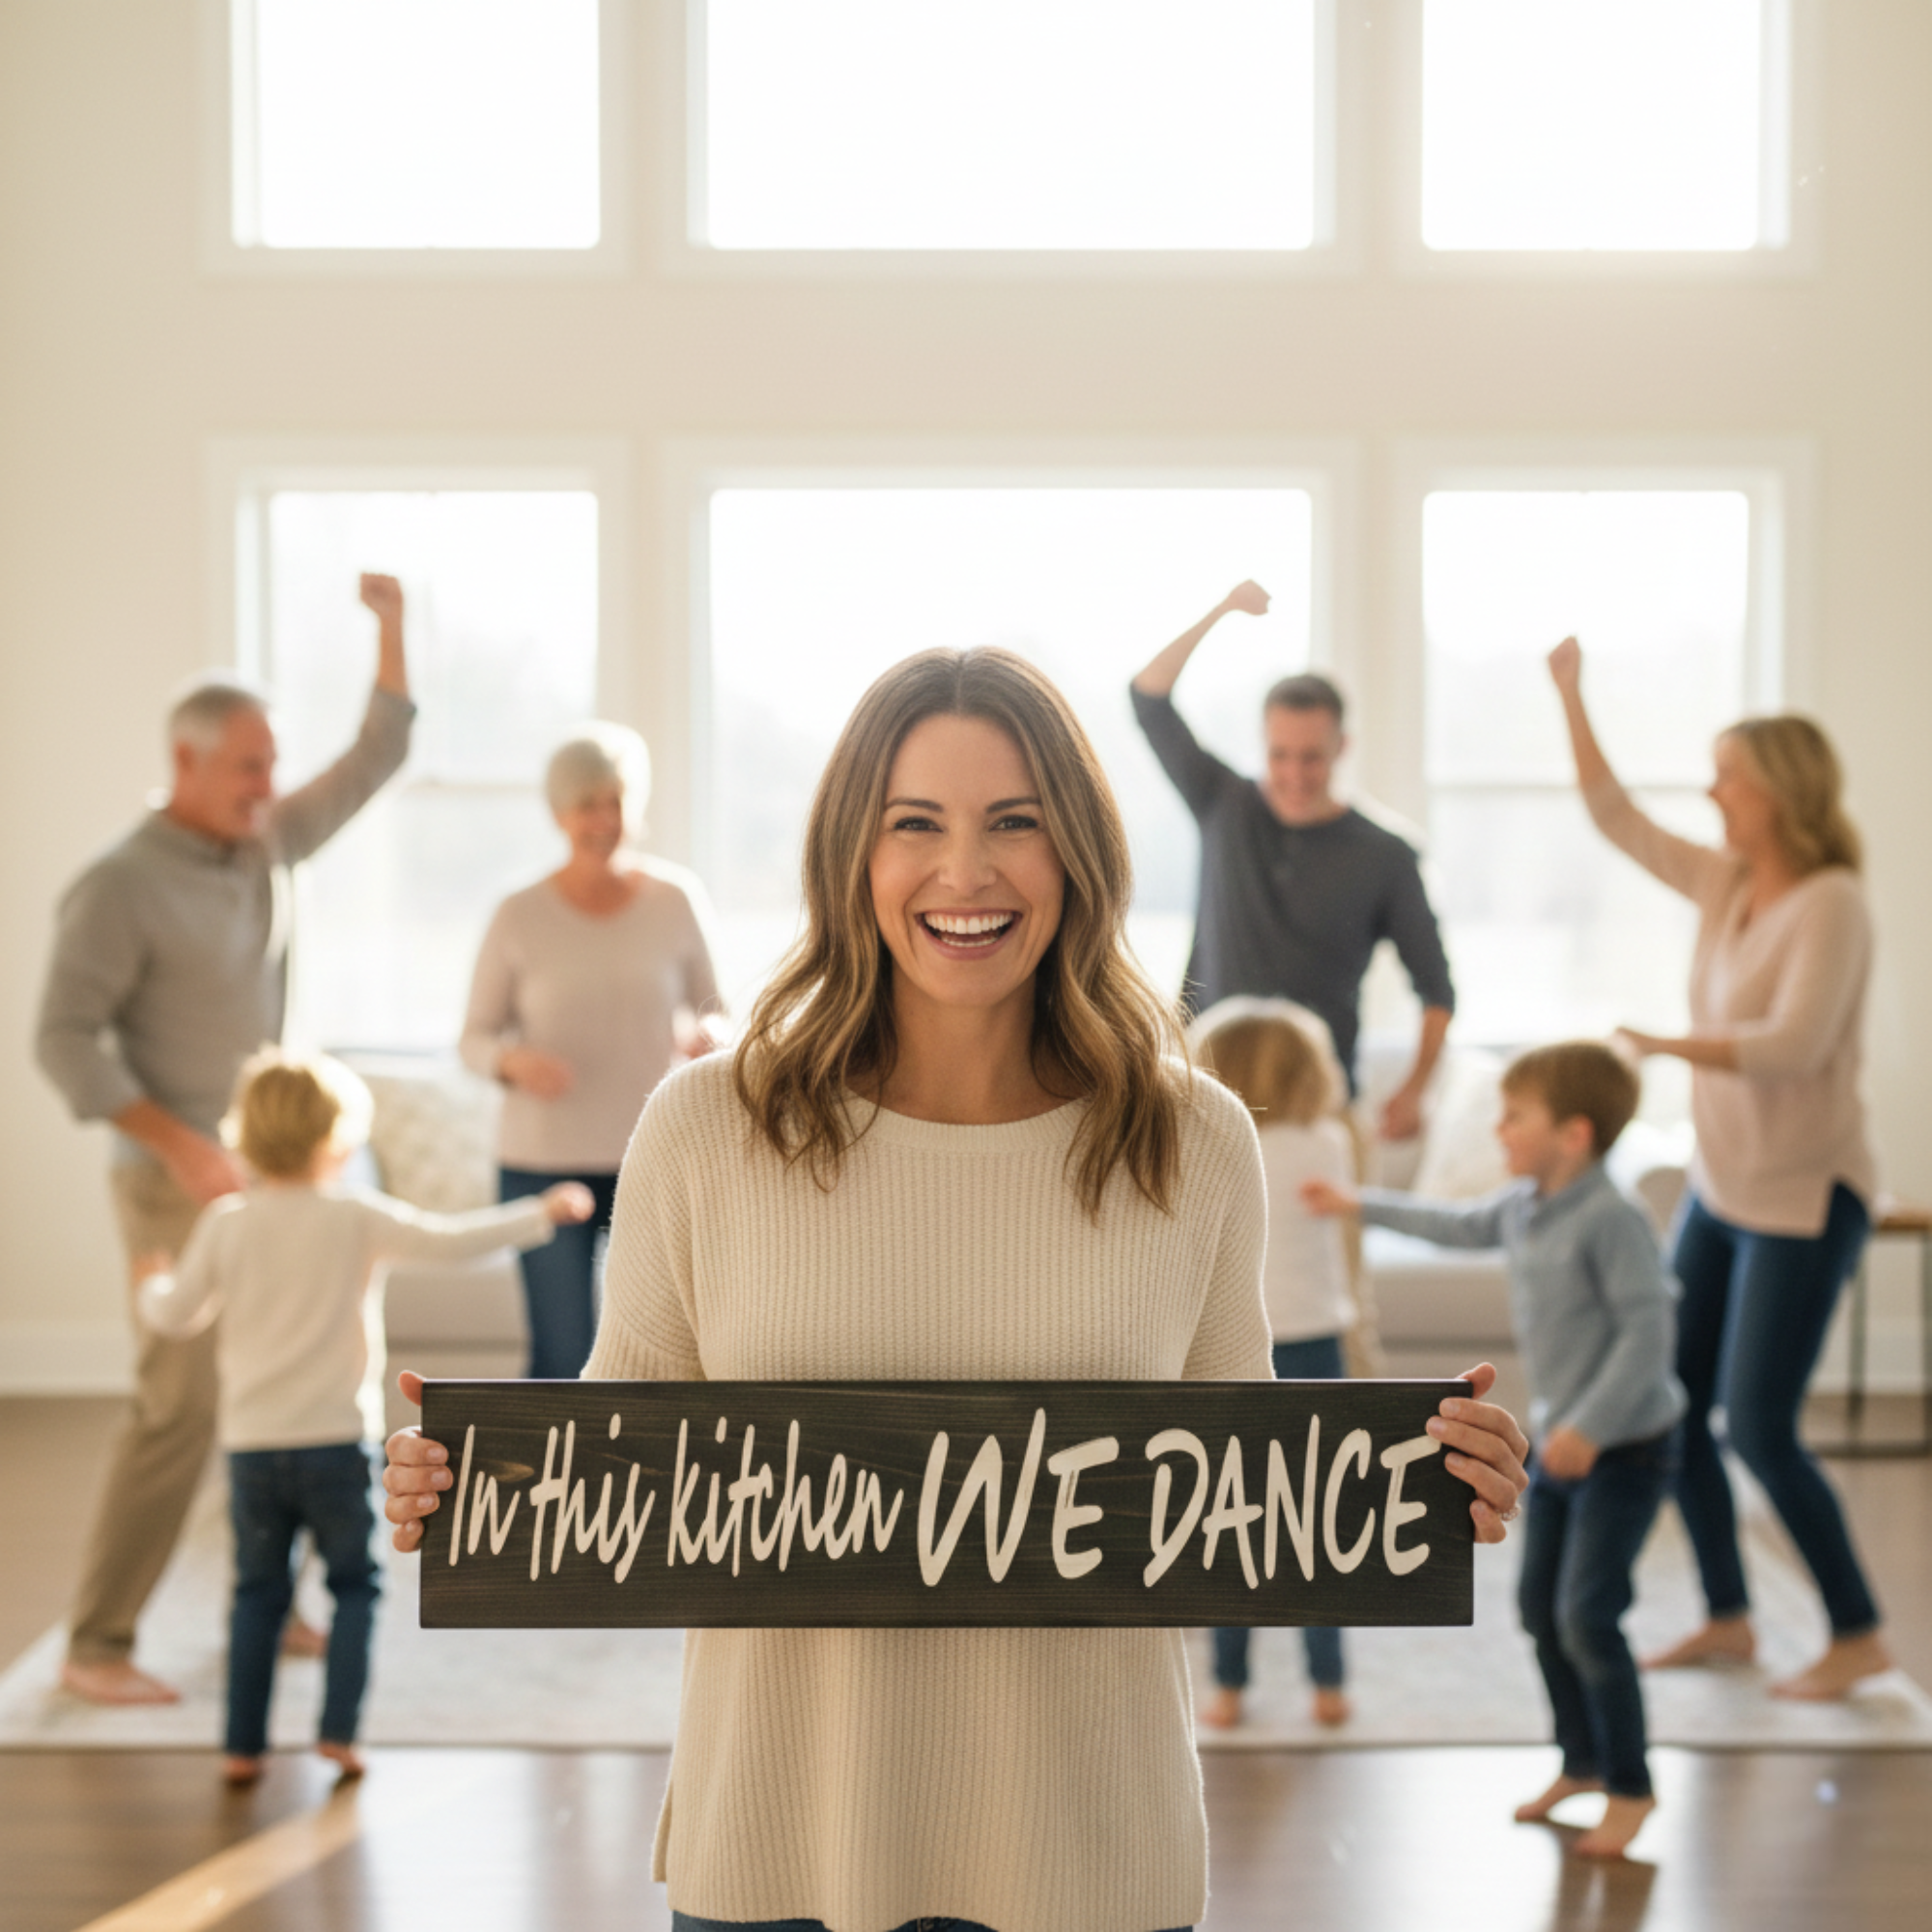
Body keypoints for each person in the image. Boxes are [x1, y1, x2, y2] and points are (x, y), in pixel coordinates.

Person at [386, 646, 1531, 1932]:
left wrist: (1420, 1483)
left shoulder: (1199, 1137)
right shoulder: (706, 1127)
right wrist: (476, 1485)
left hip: (1094, 1849)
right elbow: (626, 1458)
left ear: (1079, 855)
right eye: (914, 825)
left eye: (1015, 827)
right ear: (848, 855)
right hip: (778, 1841)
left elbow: (1234, 1505)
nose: (966, 873)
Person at [35, 574, 414, 1706]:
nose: (269, 783)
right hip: (170, 1183)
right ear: (187, 763)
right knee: (180, 1409)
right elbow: (62, 1039)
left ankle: (281, 1600)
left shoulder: (262, 840)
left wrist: (390, 629)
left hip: (277, 1173)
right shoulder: (116, 885)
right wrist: (178, 1146)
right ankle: (97, 1641)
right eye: (248, 765)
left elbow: (376, 754)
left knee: (302, 1389)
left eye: (271, 762)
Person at [1547, 637, 1890, 1701]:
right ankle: (1731, 1615)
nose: (1710, 791)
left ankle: (1855, 1629)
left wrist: (1659, 1043)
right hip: (1722, 1187)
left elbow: (1789, 1043)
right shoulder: (1727, 879)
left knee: (1758, 1424)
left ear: (1775, 792)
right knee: (1670, 1401)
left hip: (1801, 1197)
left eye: (1726, 774)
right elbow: (1616, 819)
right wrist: (1571, 694)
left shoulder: (1829, 901)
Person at [136, 1049, 590, 1784]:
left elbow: (176, 1313)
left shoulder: (225, 1223)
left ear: (243, 1138)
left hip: (252, 1451)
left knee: (257, 1593)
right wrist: (541, 1213)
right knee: (354, 1587)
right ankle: (339, 1735)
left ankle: (241, 1747)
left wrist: (148, 1286)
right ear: (339, 1142)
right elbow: (452, 1242)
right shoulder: (353, 1215)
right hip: (334, 1448)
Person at [1306, 1039, 1687, 1860]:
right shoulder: (1522, 1205)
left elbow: (1648, 1333)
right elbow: (1450, 1224)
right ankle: (1579, 1765)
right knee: (1537, 1612)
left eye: (1514, 1117)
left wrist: (1589, 1424)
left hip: (1626, 1449)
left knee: (1589, 1616)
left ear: (1574, 1135)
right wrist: (1353, 1203)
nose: (1501, 1130)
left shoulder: (1613, 1218)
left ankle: (1632, 1786)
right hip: (1562, 1447)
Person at [1130, 581, 1456, 1139]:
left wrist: (1413, 1091)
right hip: (1202, 1096)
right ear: (1262, 742)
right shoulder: (1223, 805)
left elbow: (1436, 990)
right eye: (1280, 755)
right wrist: (1222, 609)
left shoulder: (1387, 856)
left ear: (1340, 749)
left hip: (1319, 1109)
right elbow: (1147, 697)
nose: (1295, 776)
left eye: (1312, 758)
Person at [460, 724, 724, 1379]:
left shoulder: (677, 900)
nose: (605, 819)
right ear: (558, 814)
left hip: (653, 1155)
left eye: (617, 801)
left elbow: (719, 1008)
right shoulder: (517, 914)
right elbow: (473, 1038)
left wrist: (713, 1039)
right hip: (543, 1165)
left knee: (666, 1357)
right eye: (588, 805)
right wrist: (512, 1062)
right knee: (560, 1355)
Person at [1188, 997, 1357, 1733]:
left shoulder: (1207, 1143)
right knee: (1320, 1520)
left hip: (1232, 1344)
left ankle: (1228, 1687)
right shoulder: (1328, 1142)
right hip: (1317, 1341)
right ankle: (1329, 1687)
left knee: (1231, 1519)